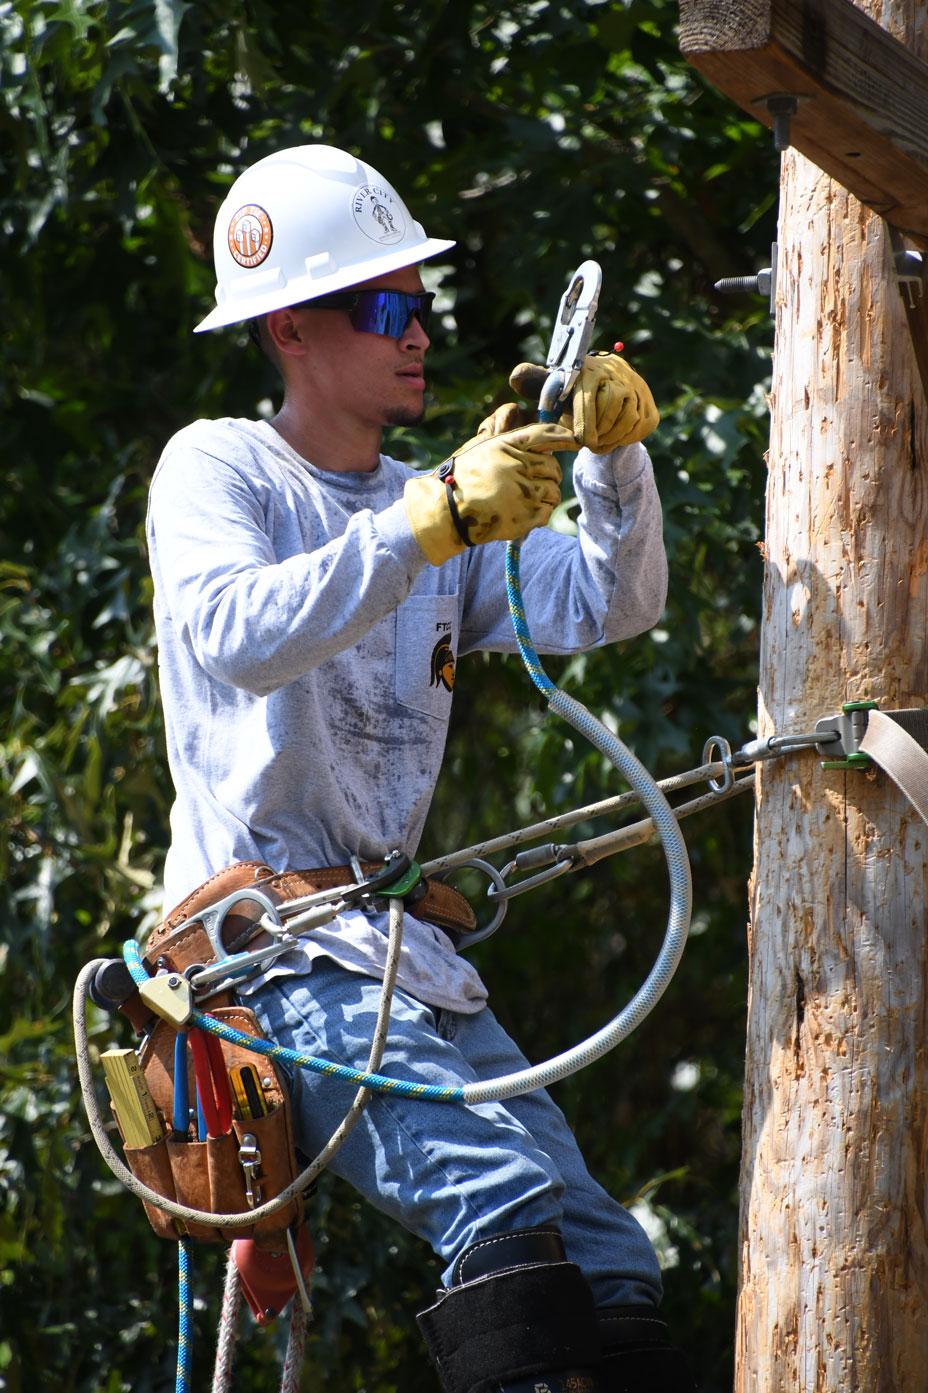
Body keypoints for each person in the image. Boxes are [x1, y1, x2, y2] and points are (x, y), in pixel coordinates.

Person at [146, 143, 696, 1393]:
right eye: (383, 306)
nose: (418, 333)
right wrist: (432, 518)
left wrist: (611, 459)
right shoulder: (221, 467)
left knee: (609, 1261)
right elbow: (237, 633)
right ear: (289, 328)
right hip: (272, 953)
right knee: (498, 1205)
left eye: (420, 303)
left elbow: (611, 600)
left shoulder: (430, 508)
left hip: (404, 953)